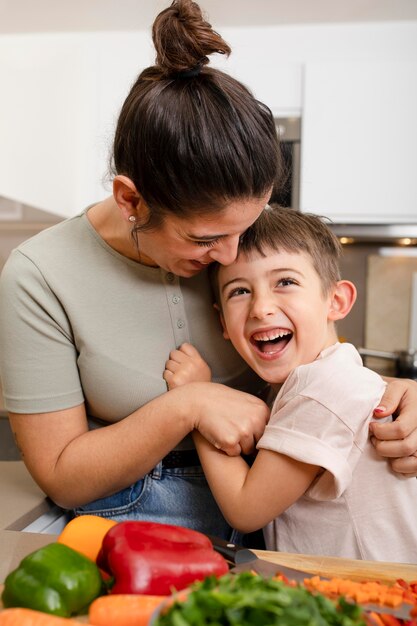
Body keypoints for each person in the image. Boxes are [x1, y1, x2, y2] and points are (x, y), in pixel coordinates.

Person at [0, 0, 416, 543]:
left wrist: (394, 392)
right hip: (140, 525)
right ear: (131, 199)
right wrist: (189, 405)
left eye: (246, 226)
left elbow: (314, 361)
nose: (228, 257)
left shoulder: (246, 249)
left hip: (282, 524)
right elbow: (61, 473)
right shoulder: (40, 275)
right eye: (205, 239)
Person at [164, 206, 417, 562]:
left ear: (336, 300)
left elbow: (245, 508)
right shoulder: (320, 378)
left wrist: (199, 401)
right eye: (239, 291)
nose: (261, 308)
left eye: (285, 282)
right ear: (221, 321)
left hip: (374, 595)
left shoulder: (323, 389)